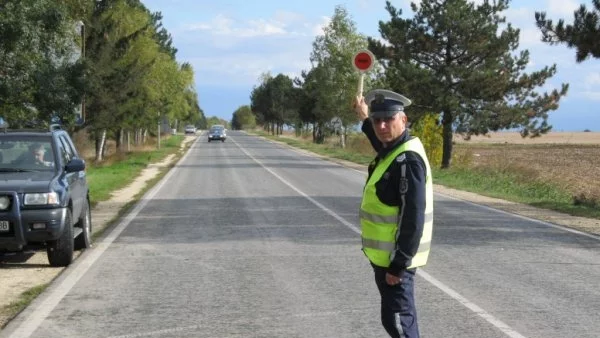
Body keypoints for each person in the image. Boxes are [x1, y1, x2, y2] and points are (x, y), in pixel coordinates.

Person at [353, 89, 434, 338]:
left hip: (395, 262)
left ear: (404, 120)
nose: (382, 125)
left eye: (389, 119)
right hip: (385, 259)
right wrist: (365, 118)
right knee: (395, 320)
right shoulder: (394, 150)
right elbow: (381, 142)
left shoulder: (408, 161)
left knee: (399, 323)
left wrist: (398, 266)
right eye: (378, 120)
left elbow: (413, 217)